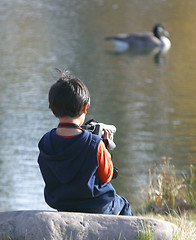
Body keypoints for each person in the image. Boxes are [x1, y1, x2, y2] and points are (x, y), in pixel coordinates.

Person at [38, 71, 133, 216]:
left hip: (62, 204)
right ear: (84, 107)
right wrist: (106, 149)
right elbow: (107, 176)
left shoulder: (45, 142)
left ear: (52, 108)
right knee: (123, 204)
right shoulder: (95, 144)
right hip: (97, 206)